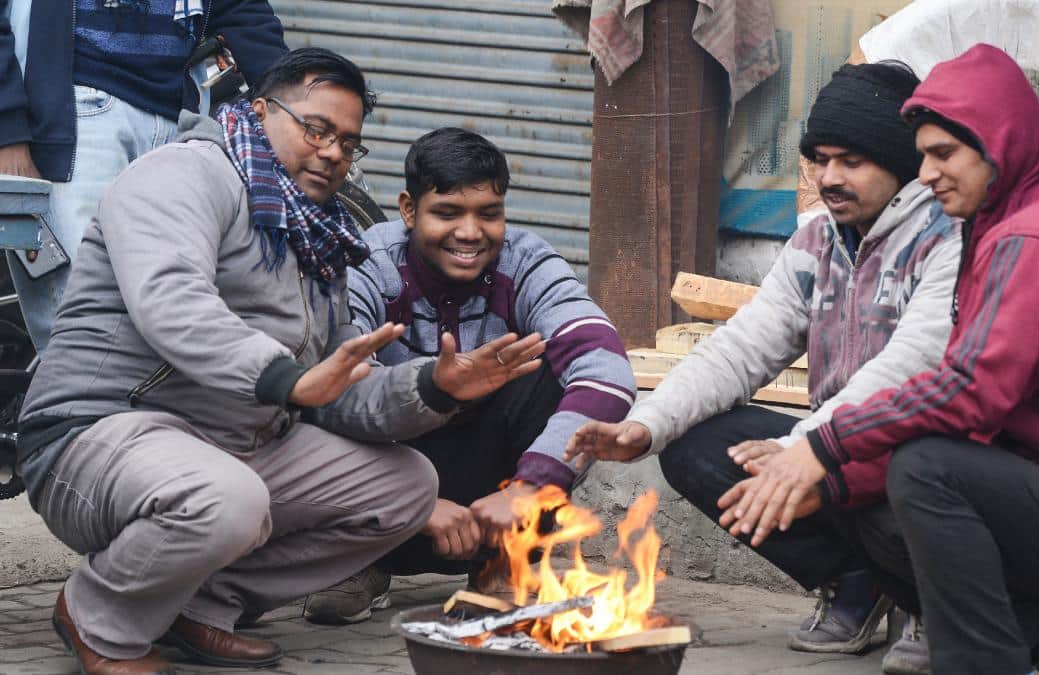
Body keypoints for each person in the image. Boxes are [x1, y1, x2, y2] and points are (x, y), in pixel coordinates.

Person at [16, 48, 546, 675]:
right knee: (226, 498)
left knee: (406, 486)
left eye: (348, 143)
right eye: (316, 129)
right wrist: (288, 380)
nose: (331, 153)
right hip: (99, 431)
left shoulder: (317, 231)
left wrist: (434, 384)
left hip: (230, 443)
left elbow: (341, 382)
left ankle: (199, 605)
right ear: (261, 110)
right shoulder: (183, 175)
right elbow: (172, 302)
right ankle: (100, 616)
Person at [716, 43, 1039, 674]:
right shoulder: (999, 224)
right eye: (924, 155)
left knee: (925, 469)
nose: (928, 172)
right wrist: (830, 481)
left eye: (945, 154)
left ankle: (997, 657)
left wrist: (824, 447)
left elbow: (970, 392)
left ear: (1001, 145)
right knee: (864, 490)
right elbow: (972, 401)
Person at [564, 61, 960, 670]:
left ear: (901, 163)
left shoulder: (947, 242)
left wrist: (805, 447)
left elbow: (910, 368)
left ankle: (929, 604)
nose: (829, 177)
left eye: (851, 161)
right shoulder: (818, 243)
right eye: (819, 159)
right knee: (694, 446)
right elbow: (741, 348)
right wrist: (645, 425)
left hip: (909, 447)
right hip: (832, 446)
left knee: (913, 466)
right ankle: (858, 581)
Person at [302, 126, 637, 625]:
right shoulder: (364, 262)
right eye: (447, 213)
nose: (470, 233)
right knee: (332, 386)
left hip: (494, 501)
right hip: (387, 488)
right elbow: (328, 391)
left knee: (547, 370)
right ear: (409, 210)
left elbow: (607, 371)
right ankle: (357, 565)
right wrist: (413, 497)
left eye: (488, 214)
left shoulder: (526, 263)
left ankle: (506, 561)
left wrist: (531, 488)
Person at [0, 0, 288, 350]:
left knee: (174, 318)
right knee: (85, 329)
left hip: (179, 122)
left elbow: (242, 10)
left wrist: (293, 101)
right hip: (73, 116)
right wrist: (8, 130)